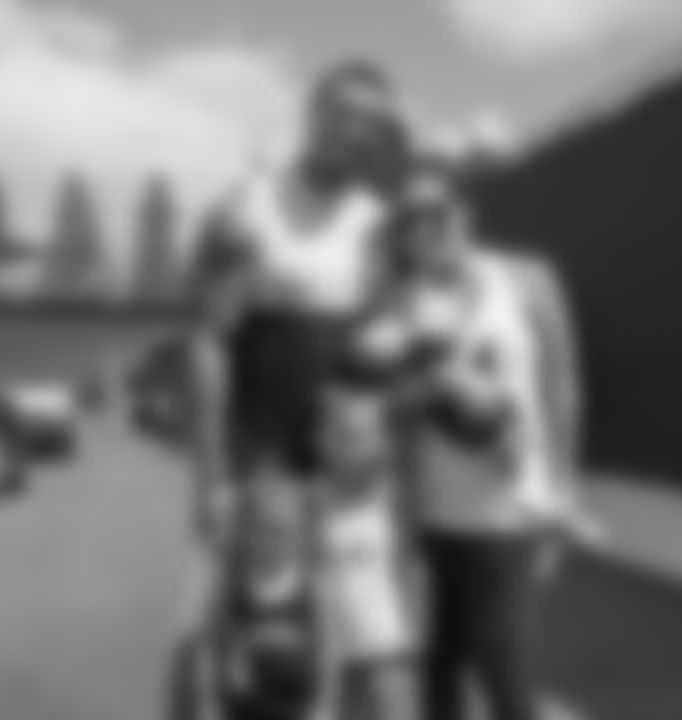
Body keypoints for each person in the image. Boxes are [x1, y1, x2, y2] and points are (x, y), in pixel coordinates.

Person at [173, 58, 421, 720]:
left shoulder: (381, 228)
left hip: (348, 480)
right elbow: (207, 342)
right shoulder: (244, 209)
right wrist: (211, 477)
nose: (353, 130)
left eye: (370, 123)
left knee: (381, 661)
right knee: (224, 665)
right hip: (258, 477)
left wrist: (382, 454)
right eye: (341, 112)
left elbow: (388, 353)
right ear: (311, 112)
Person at [356, 160, 596, 720]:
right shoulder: (399, 301)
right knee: (441, 661)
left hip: (515, 504)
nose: (423, 229)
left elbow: (563, 382)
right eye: (407, 219)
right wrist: (426, 389)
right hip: (437, 510)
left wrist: (566, 482)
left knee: (498, 657)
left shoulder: (529, 277)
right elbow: (382, 406)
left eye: (435, 212)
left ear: (466, 211)